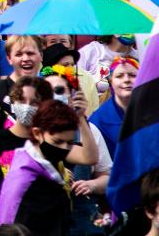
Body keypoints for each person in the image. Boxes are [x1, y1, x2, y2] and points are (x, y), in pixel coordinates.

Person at [0, 100, 99, 236]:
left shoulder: (47, 156)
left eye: (69, 143)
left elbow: (90, 158)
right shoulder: (25, 177)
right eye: (58, 141)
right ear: (37, 133)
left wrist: (81, 119)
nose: (64, 149)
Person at [0, 77, 53, 236]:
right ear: (13, 102)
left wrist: (81, 118)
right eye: (21, 100)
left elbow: (89, 158)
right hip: (3, 227)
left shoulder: (51, 143)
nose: (27, 107)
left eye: (34, 102)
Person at [40, 67, 113, 234]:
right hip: (46, 221)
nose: (54, 96)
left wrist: (92, 185)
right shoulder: (33, 132)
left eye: (59, 90)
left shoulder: (89, 130)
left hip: (83, 221)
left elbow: (106, 175)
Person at [89, 56, 139, 158]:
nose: (126, 80)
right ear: (111, 81)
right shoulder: (98, 121)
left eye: (132, 75)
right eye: (119, 76)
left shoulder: (153, 111)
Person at [42, 41, 100, 115]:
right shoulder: (42, 89)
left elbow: (95, 110)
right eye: (65, 65)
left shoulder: (83, 82)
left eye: (72, 65)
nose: (70, 69)